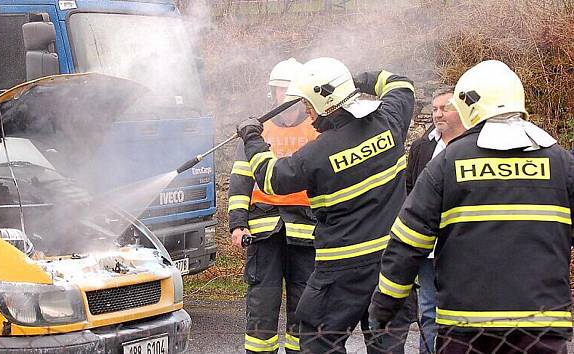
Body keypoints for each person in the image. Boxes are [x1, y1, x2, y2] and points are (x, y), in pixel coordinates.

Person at [369, 60, 573, 354]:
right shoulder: (560, 162)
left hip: (466, 330)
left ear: (467, 104)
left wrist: (385, 304)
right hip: (541, 327)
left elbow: (408, 239)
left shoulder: (448, 162)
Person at [235, 57, 416, 354]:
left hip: (341, 270)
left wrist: (253, 137)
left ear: (324, 101)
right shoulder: (390, 120)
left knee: (319, 341)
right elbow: (400, 83)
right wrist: (353, 81)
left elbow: (271, 178)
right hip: (391, 263)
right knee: (387, 346)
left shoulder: (318, 154)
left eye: (308, 105)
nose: (307, 112)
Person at [228, 58, 318, 354]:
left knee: (305, 303)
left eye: (289, 90)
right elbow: (241, 181)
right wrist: (238, 224)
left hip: (307, 232)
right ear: (273, 93)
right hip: (264, 232)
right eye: (279, 90)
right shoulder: (257, 131)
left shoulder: (318, 130)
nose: (284, 97)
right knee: (261, 304)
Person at [404, 85, 465, 353]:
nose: (438, 114)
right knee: (428, 311)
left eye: (445, 108)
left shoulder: (476, 146)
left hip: (465, 247)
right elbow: (409, 189)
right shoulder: (421, 147)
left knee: (463, 310)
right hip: (429, 247)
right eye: (435, 109)